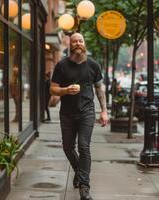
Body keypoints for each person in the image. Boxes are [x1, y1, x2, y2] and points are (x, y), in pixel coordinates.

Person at [50, 32, 109, 200]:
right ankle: (79, 171)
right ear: (70, 44)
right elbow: (52, 89)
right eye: (74, 41)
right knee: (68, 147)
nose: (77, 43)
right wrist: (65, 90)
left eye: (80, 40)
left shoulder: (93, 65)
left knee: (84, 146)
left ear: (84, 43)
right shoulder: (61, 66)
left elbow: (99, 89)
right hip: (67, 113)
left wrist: (104, 111)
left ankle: (84, 187)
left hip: (87, 112)